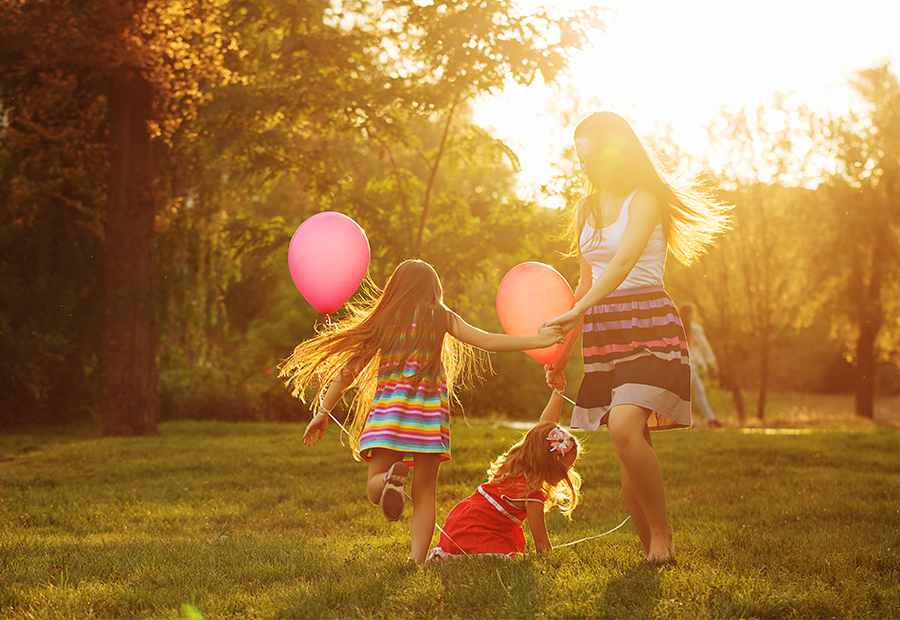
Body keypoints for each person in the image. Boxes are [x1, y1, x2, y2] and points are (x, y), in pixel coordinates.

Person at [279, 259, 564, 565]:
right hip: (427, 423)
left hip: (389, 417)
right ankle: (417, 561)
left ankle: (389, 478)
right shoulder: (440, 316)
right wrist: (539, 340)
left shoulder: (384, 318)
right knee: (425, 492)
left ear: (395, 289)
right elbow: (486, 341)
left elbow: (348, 372)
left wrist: (323, 411)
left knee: (375, 488)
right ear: (433, 289)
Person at [542, 111, 731, 564]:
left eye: (590, 151)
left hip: (648, 323)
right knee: (628, 440)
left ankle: (663, 534)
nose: (584, 161)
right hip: (605, 332)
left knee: (626, 427)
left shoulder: (644, 199)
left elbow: (623, 264)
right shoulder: (586, 209)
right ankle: (651, 550)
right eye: (579, 152)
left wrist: (576, 312)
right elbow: (586, 282)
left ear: (615, 151)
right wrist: (560, 351)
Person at [428, 389, 581, 560]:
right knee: (506, 561)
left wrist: (558, 392)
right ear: (547, 464)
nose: (566, 474)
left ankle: (450, 555)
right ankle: (452, 558)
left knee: (510, 554)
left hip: (463, 518)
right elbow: (541, 541)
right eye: (564, 468)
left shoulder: (516, 466)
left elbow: (545, 425)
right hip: (473, 529)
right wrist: (552, 564)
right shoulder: (533, 494)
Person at [679, 303, 723, 428]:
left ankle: (711, 419)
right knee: (685, 392)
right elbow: (705, 346)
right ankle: (686, 420)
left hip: (681, 363)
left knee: (699, 391)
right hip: (691, 363)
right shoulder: (695, 329)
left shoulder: (677, 328)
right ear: (689, 315)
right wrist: (712, 362)